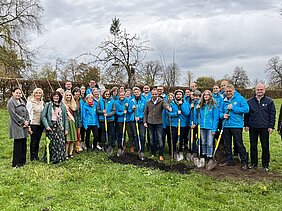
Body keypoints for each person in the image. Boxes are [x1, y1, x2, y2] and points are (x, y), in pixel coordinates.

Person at [244, 83, 276, 172]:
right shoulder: (249, 102)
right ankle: (254, 163)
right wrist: (246, 124)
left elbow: (272, 115)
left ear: (264, 90)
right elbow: (246, 114)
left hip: (264, 127)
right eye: (258, 89)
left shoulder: (269, 101)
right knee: (253, 146)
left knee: (265, 146)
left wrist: (271, 126)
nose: (259, 91)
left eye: (261, 89)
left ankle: (265, 165)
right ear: (255, 90)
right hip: (253, 127)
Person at [219, 84, 249, 170]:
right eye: (226, 91)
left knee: (239, 144)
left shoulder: (240, 99)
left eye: (230, 91)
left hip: (236, 125)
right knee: (227, 144)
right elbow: (220, 112)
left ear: (233, 91)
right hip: (226, 125)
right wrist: (223, 115)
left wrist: (233, 107)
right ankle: (229, 160)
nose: (228, 93)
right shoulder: (224, 100)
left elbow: (246, 109)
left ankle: (244, 162)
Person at [41, 91, 68, 164]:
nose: (56, 98)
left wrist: (66, 129)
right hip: (51, 126)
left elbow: (65, 118)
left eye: (57, 96)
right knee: (52, 143)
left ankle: (60, 157)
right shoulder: (48, 105)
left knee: (60, 142)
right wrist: (46, 126)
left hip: (60, 126)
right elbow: (43, 116)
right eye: (54, 96)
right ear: (52, 97)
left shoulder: (62, 106)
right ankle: (52, 158)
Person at [144, 88, 171, 161]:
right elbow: (146, 112)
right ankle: (153, 153)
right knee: (152, 139)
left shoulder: (161, 101)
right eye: (153, 94)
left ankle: (161, 154)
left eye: (156, 94)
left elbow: (165, 105)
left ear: (158, 94)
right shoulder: (148, 102)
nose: (154, 95)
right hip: (150, 122)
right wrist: (145, 122)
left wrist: (168, 108)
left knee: (160, 139)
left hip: (159, 123)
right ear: (151, 94)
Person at [8, 87, 30, 168]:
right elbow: (13, 114)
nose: (18, 94)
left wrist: (28, 121)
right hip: (16, 125)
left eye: (20, 93)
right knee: (18, 144)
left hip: (24, 126)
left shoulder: (22, 101)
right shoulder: (11, 102)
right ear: (13, 93)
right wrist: (23, 121)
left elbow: (27, 112)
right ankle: (16, 163)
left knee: (24, 143)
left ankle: (22, 162)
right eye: (16, 93)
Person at [196, 90, 219, 161]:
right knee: (203, 142)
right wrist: (197, 110)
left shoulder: (214, 106)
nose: (206, 96)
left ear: (210, 96)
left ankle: (209, 156)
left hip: (210, 127)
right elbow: (197, 116)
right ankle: (204, 154)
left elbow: (216, 118)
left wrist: (214, 129)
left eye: (208, 95)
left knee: (209, 143)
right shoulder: (200, 105)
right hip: (202, 126)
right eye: (205, 95)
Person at [167, 90, 190, 160]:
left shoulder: (185, 103)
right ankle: (173, 152)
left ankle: (180, 151)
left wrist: (182, 105)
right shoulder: (171, 103)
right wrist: (176, 113)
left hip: (182, 124)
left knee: (181, 139)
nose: (178, 96)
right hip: (174, 124)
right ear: (175, 95)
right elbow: (169, 114)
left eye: (180, 94)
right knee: (173, 139)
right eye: (177, 94)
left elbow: (187, 113)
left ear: (182, 96)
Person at [26, 88, 44, 161]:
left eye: (40, 93)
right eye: (37, 93)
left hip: (40, 123)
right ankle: (32, 156)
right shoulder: (30, 102)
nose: (38, 94)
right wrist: (29, 125)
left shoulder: (42, 102)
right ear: (34, 94)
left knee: (38, 139)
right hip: (33, 123)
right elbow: (27, 113)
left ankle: (36, 155)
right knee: (34, 140)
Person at [63, 90, 80, 158]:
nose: (68, 96)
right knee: (67, 140)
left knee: (73, 138)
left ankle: (70, 153)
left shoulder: (74, 104)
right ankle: (66, 153)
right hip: (67, 123)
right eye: (67, 95)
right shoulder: (62, 104)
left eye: (69, 95)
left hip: (73, 123)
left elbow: (77, 115)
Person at [131, 87, 147, 156]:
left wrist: (140, 117)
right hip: (133, 120)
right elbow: (128, 111)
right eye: (135, 92)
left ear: (140, 92)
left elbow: (145, 111)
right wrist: (132, 109)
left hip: (141, 120)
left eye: (137, 92)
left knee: (142, 135)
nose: (136, 93)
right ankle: (138, 149)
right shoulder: (131, 100)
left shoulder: (144, 100)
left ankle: (142, 149)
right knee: (135, 135)